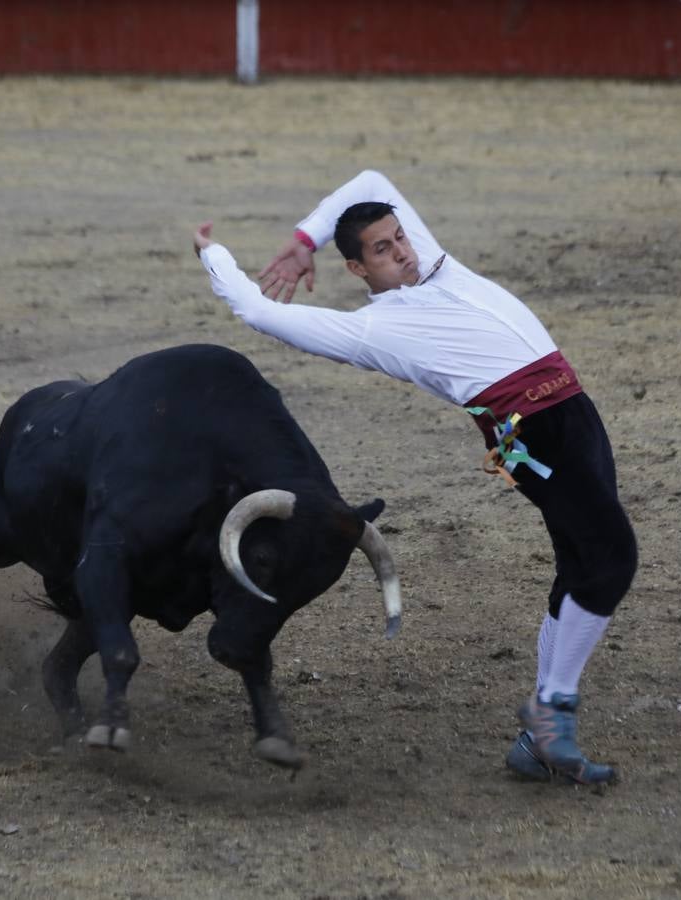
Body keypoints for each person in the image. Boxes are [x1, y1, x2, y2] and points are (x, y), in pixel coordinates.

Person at [191, 170, 636, 785]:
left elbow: (369, 181)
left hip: (573, 411)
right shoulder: (376, 329)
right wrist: (212, 253)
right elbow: (255, 309)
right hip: (532, 432)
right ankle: (550, 708)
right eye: (382, 248)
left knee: (585, 566)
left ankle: (540, 740)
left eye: (399, 237)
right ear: (359, 270)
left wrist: (304, 238)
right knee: (613, 560)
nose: (401, 250)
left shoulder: (436, 267)